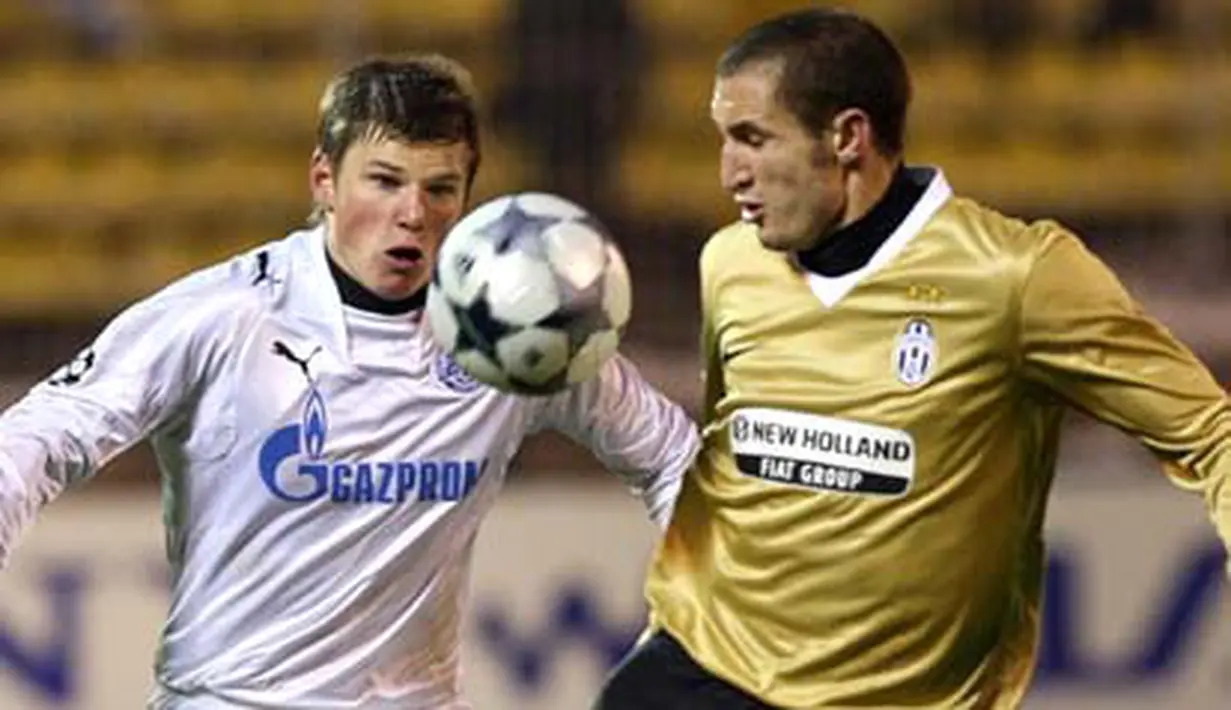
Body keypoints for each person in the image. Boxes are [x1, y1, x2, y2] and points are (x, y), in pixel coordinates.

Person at [0, 54, 699, 709]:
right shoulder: (226, 315)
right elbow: (44, 432)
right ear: (324, 181)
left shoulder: (515, 326)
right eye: (385, 180)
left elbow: (674, 459)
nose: (412, 213)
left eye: (440, 189)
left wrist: (711, 612)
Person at [594, 8, 1230, 709]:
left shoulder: (1015, 276)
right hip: (698, 670)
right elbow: (735, 450)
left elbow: (1209, 434)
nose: (727, 173)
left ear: (846, 137)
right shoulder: (731, 263)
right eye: (722, 141)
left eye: (751, 139)